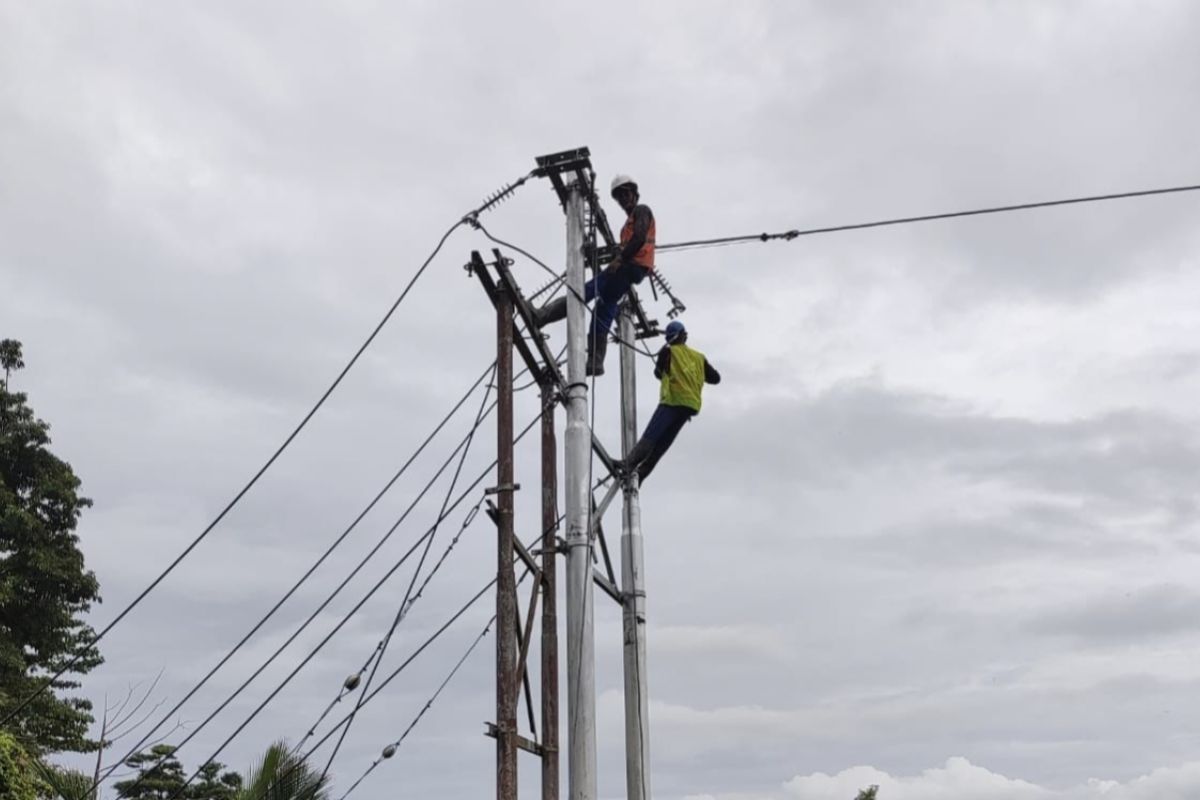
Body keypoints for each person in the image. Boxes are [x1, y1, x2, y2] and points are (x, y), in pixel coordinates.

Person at [533, 174, 656, 376]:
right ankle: (596, 362)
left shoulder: (642, 211)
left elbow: (640, 237)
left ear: (634, 194)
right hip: (632, 271)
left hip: (631, 266)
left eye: (625, 194)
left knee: (586, 290)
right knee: (604, 308)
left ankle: (542, 316)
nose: (623, 200)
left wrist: (620, 259)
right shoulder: (627, 224)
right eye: (619, 197)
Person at [614, 320, 720, 483]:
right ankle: (641, 474)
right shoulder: (699, 358)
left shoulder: (668, 352)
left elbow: (658, 373)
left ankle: (628, 464)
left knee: (652, 436)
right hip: (690, 406)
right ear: (684, 336)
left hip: (672, 401)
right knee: (664, 443)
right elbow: (715, 378)